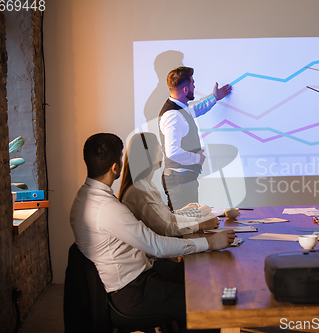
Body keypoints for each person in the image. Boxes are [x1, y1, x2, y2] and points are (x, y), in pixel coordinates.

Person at [70, 133, 235, 327]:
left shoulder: (83, 199)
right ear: (116, 167)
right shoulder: (106, 208)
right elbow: (156, 244)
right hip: (132, 291)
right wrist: (209, 242)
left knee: (198, 282)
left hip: (131, 283)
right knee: (205, 301)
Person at [118, 132, 219, 237]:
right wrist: (200, 224)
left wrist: (199, 221)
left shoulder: (147, 185)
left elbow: (169, 217)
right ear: (148, 155)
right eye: (158, 150)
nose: (162, 153)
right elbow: (165, 228)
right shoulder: (138, 190)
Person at [159, 66, 232, 210]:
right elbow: (172, 152)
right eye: (193, 83)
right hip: (179, 181)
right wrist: (197, 158)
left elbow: (196, 110)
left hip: (182, 179)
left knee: (189, 223)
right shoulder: (173, 116)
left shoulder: (181, 109)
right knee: (184, 226)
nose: (194, 86)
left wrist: (215, 97)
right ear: (185, 89)